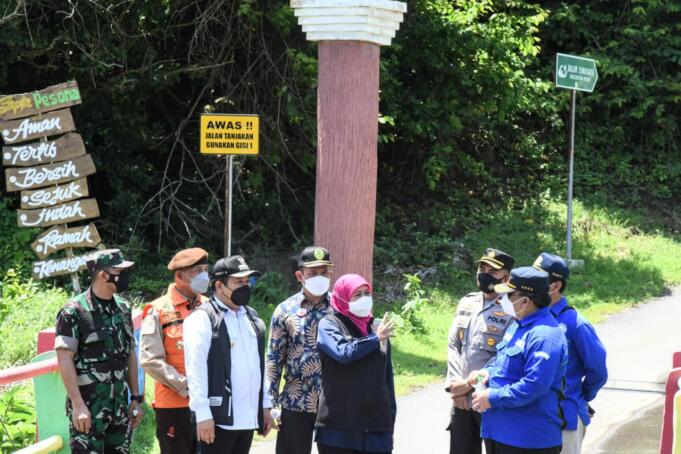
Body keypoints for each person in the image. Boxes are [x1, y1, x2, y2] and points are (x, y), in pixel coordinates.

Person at [469, 266, 568, 454]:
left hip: (527, 440)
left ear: (525, 301)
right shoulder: (518, 325)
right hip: (501, 433)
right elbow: (504, 363)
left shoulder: (544, 336)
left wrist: (493, 397)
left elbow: (534, 386)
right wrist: (487, 372)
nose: (501, 300)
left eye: (509, 295)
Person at [183, 255, 276, 454]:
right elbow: (195, 370)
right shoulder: (202, 319)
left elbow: (258, 365)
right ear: (219, 286)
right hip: (217, 421)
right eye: (238, 281)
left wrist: (265, 406)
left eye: (247, 281)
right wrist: (202, 414)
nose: (246, 286)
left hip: (247, 419)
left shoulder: (251, 317)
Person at [54, 249, 144, 454]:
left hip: (119, 408)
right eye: (120, 270)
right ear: (103, 275)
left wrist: (136, 398)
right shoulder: (73, 311)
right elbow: (64, 359)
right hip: (89, 410)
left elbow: (129, 353)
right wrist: (77, 405)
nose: (125, 275)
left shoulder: (123, 308)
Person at [533, 253, 608, 454]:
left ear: (555, 286)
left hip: (564, 419)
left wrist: (581, 395)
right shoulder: (529, 317)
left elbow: (598, 370)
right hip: (532, 418)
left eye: (538, 278)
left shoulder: (575, 324)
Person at [315, 273, 397, 454]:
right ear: (343, 299)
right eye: (357, 295)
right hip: (338, 430)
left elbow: (387, 380)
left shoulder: (376, 328)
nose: (364, 299)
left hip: (377, 430)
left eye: (367, 293)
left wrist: (390, 420)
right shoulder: (330, 325)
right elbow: (345, 353)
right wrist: (375, 339)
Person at [140, 247, 210, 454]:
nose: (204, 275)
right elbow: (150, 360)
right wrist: (187, 386)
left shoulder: (210, 307)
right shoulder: (158, 310)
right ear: (180, 276)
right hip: (174, 405)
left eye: (206, 269)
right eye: (198, 270)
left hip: (208, 404)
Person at [446, 248, 515, 454]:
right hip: (460, 399)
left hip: (488, 399)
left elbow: (503, 357)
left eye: (492, 271)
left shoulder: (513, 308)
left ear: (506, 277)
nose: (484, 273)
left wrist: (469, 385)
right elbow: (453, 345)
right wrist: (455, 386)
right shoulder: (467, 302)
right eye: (482, 267)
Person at [266, 246, 334, 454]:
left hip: (334, 403)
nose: (319, 277)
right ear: (299, 275)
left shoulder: (340, 308)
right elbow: (274, 359)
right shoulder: (285, 310)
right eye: (313, 273)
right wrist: (270, 404)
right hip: (296, 403)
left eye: (324, 272)